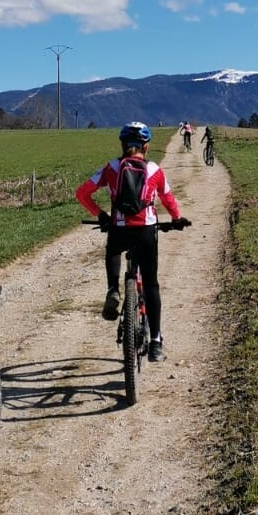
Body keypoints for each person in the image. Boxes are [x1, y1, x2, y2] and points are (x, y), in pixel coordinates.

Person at [76, 121, 189, 362]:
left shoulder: (112, 168)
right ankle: (156, 342)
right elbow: (168, 199)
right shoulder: (154, 170)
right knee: (151, 285)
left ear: (123, 144)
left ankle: (113, 289)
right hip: (146, 231)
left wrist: (102, 215)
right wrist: (177, 219)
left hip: (119, 229)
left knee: (114, 250)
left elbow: (82, 193)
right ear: (146, 147)